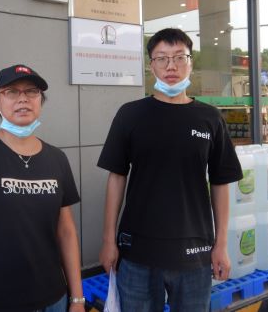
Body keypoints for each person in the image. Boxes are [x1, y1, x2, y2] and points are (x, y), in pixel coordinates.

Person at [97, 28, 243, 312]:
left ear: (191, 63)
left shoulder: (210, 118)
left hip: (195, 252)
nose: (171, 66)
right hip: (137, 252)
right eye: (162, 58)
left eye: (179, 57)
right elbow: (116, 177)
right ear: (151, 66)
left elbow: (220, 182)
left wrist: (221, 244)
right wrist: (108, 240)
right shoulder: (130, 114)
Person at [0, 64, 86, 312]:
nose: (23, 99)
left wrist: (77, 298)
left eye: (31, 91)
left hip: (54, 299)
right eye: (11, 92)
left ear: (40, 101)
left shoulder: (57, 158)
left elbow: (66, 232)